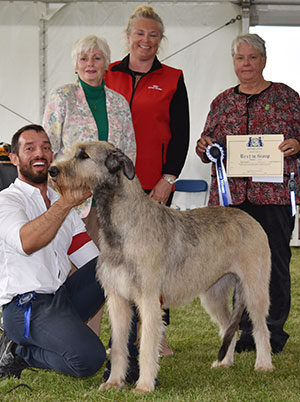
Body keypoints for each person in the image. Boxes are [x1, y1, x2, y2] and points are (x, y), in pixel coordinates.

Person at [196, 33, 300, 354]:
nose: (246, 64)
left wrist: (298, 145)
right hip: (232, 202)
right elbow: (206, 144)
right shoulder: (222, 101)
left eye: (252, 57)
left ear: (264, 61)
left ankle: (272, 332)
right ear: (234, 63)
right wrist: (203, 147)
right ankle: (244, 332)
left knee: (275, 263)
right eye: (240, 58)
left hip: (274, 197)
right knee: (233, 266)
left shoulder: (287, 98)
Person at [105, 5, 190, 357]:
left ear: (161, 40)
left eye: (153, 35)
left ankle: (157, 334)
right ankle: (119, 337)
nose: (146, 40)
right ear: (128, 36)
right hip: (114, 188)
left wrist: (168, 178)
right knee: (116, 261)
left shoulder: (173, 77)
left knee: (156, 262)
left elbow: (181, 133)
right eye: (139, 33)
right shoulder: (107, 74)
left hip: (154, 186)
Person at [43, 34, 136, 335]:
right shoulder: (61, 98)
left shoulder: (119, 104)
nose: (90, 64)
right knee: (78, 270)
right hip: (72, 201)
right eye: (84, 58)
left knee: (108, 269)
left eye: (97, 58)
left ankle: (109, 336)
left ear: (107, 64)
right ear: (75, 64)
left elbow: (128, 151)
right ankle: (78, 337)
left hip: (111, 203)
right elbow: (48, 149)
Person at [0, 124, 106, 379]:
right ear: (14, 158)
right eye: (30, 148)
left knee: (114, 265)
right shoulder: (7, 200)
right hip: (24, 307)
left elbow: (90, 259)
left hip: (61, 298)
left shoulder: (59, 203)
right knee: (89, 359)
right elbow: (27, 242)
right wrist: (68, 202)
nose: (40, 153)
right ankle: (19, 351)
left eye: (46, 148)